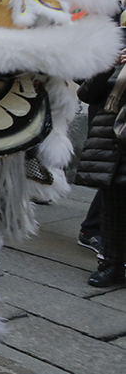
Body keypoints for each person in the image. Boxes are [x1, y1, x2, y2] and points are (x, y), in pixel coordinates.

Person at [75, 44, 126, 287]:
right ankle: (112, 265)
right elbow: (87, 94)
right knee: (113, 206)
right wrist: (106, 66)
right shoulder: (118, 46)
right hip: (111, 140)